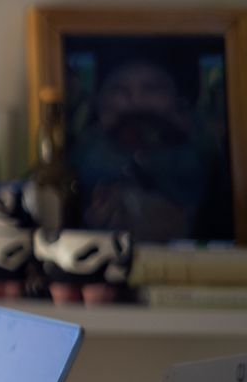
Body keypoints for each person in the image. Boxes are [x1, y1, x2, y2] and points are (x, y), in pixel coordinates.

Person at [71, 49, 230, 244]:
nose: (136, 100)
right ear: (102, 101)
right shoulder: (80, 155)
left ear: (177, 98)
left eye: (152, 89)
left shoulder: (206, 153)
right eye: (119, 90)